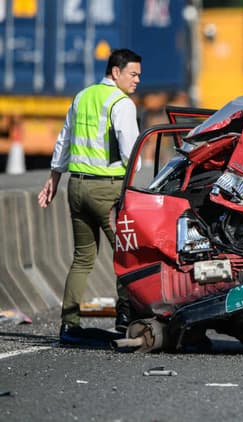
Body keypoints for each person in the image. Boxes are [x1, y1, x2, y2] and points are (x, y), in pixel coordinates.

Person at [37, 48, 142, 346]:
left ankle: (69, 325)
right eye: (132, 74)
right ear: (115, 72)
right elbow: (131, 153)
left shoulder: (82, 96)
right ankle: (126, 319)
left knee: (82, 258)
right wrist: (135, 192)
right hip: (107, 190)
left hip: (76, 187)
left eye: (139, 75)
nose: (137, 81)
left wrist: (54, 178)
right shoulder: (121, 104)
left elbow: (64, 139)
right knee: (127, 256)